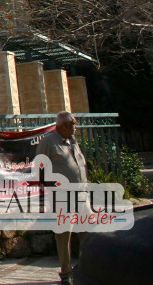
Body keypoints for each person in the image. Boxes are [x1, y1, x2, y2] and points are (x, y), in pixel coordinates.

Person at [36, 111, 87, 285]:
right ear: (63, 126)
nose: (76, 127)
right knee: (64, 234)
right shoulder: (49, 141)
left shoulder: (72, 140)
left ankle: (86, 269)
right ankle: (66, 273)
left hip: (81, 194)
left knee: (86, 232)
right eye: (73, 124)